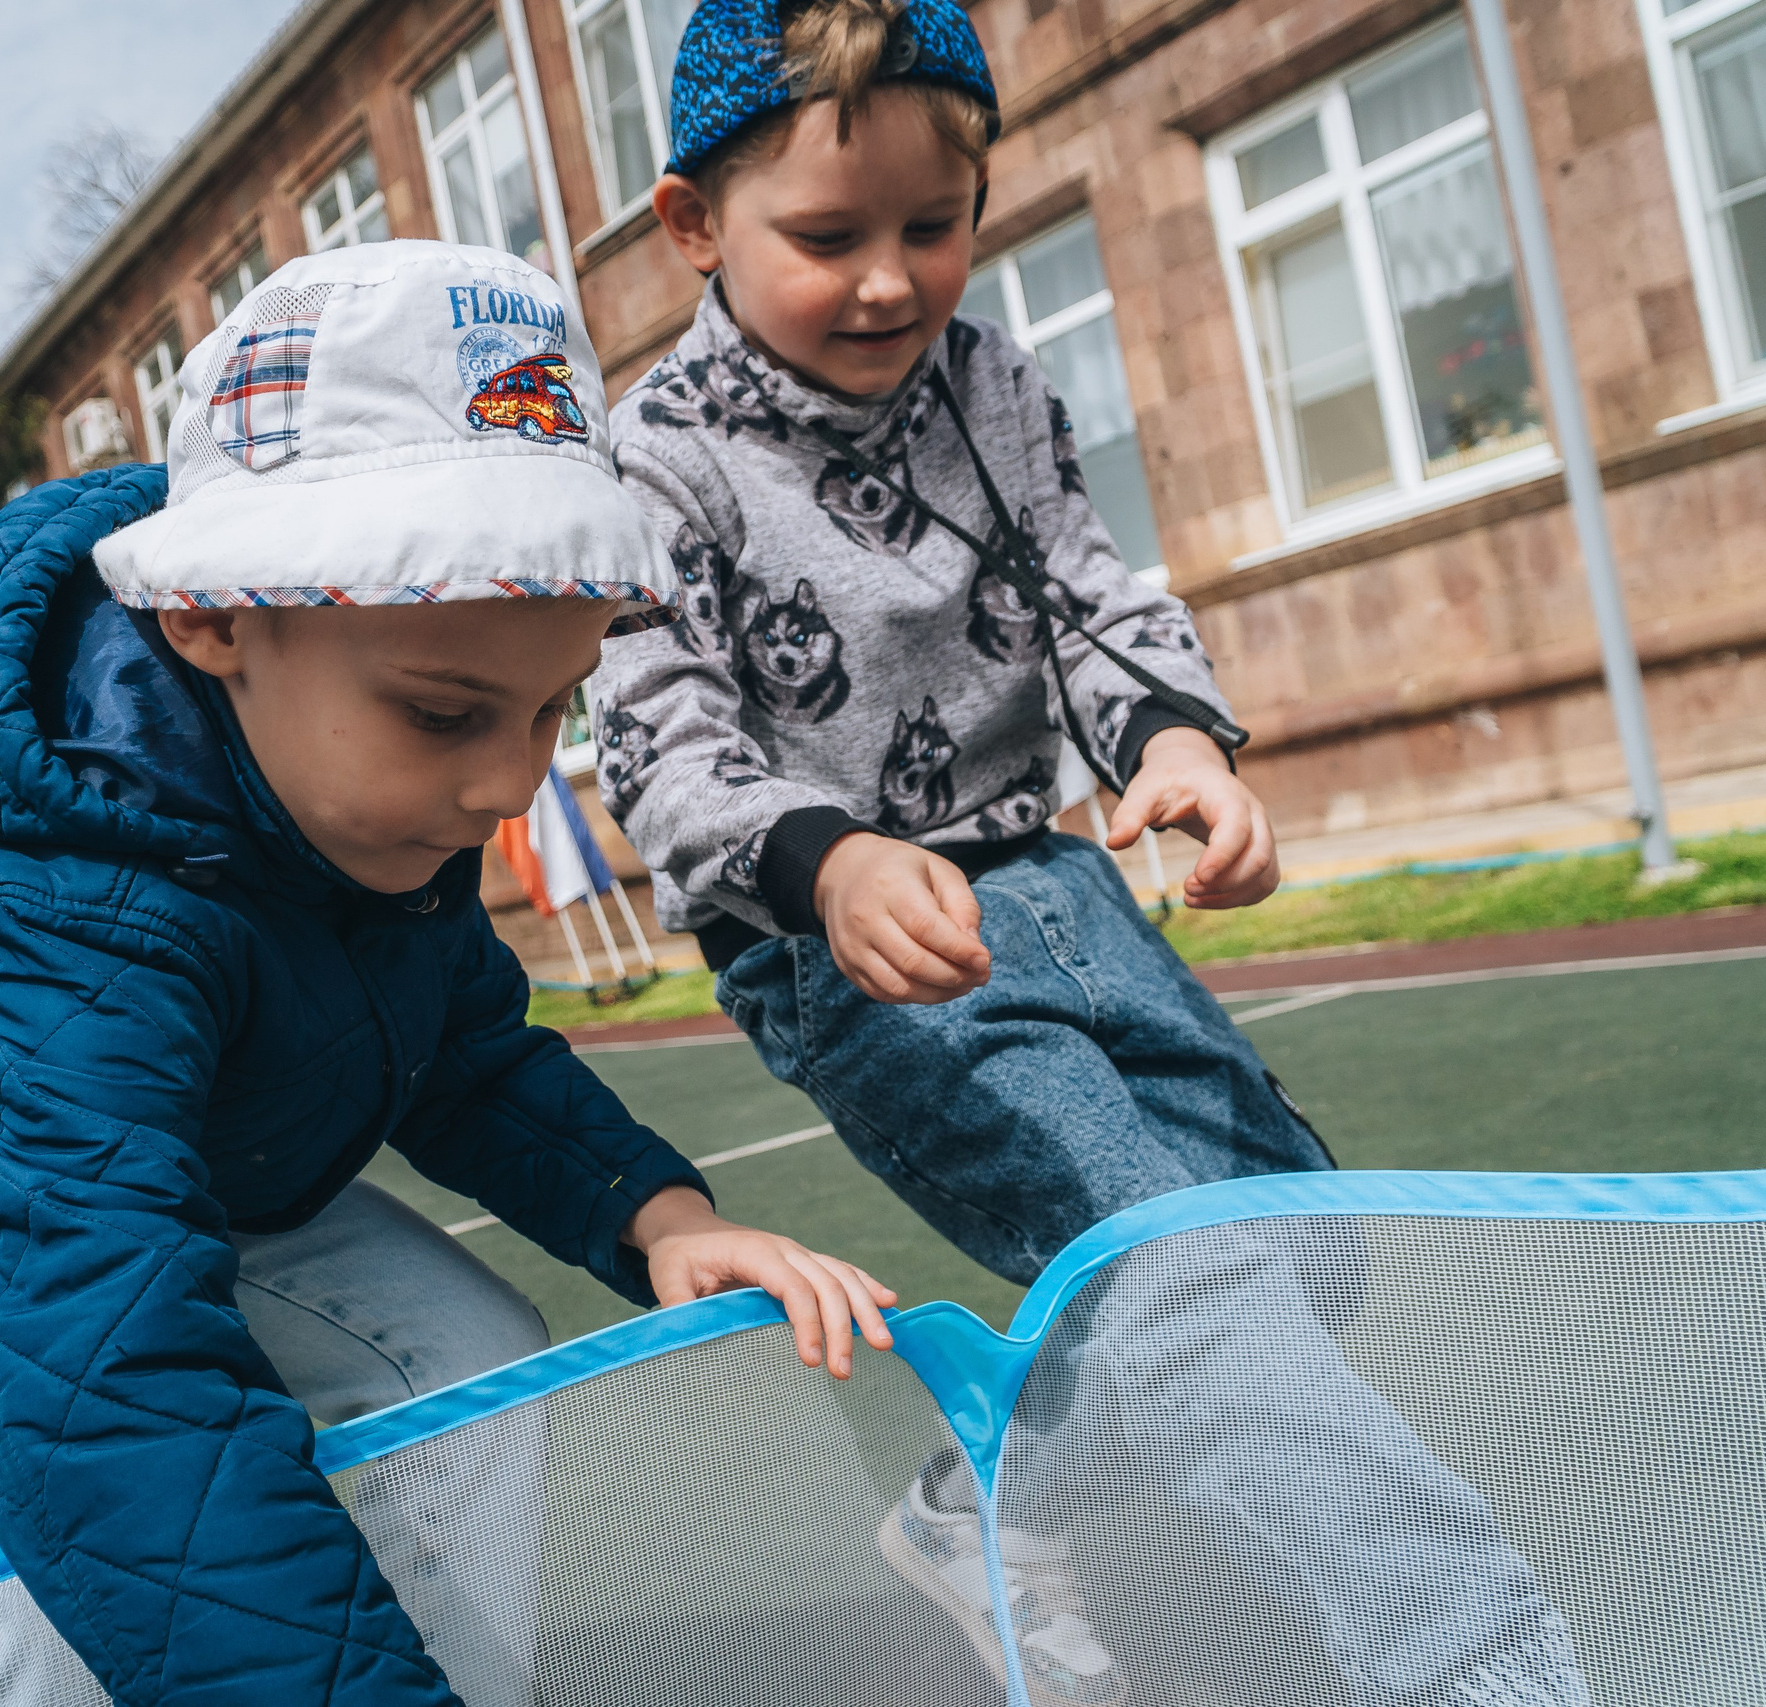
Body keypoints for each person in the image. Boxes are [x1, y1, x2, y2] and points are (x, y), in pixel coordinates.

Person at [0, 240, 897, 1706]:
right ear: (212, 620)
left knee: (464, 1356)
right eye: (449, 714)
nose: (508, 786)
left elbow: (462, 1045)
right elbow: (110, 1386)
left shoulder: (354, 787)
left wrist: (655, 1215)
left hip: (167, 1153)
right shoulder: (83, 914)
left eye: (548, 711)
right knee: (15, 1595)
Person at [594, 6, 1587, 1705]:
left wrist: (1176, 741)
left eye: (935, 225)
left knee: (1296, 1237)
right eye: (828, 238)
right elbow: (653, 733)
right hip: (851, 938)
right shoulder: (654, 457)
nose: (895, 282)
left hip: (1059, 887)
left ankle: (988, 1496)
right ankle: (1480, 1665)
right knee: (1181, 1273)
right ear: (696, 225)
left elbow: (1091, 592)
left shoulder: (994, 383)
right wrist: (825, 864)